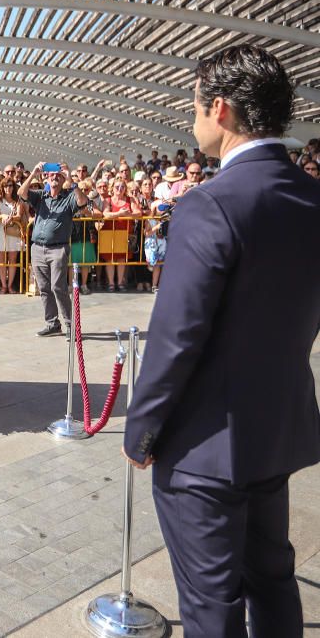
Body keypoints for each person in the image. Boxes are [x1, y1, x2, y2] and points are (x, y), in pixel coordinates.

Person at [123, 44, 320, 637]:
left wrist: (143, 428)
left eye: (195, 109)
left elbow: (176, 335)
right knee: (273, 580)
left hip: (204, 446)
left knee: (212, 606)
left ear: (223, 110)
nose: (193, 122)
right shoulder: (311, 199)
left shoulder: (210, 205)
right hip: (275, 428)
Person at [18, 162, 88, 337]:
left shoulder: (69, 196)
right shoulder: (41, 196)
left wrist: (71, 180)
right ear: (46, 178)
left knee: (58, 287)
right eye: (51, 175)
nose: (54, 177)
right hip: (38, 248)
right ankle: (52, 323)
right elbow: (21, 193)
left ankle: (71, 326)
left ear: (63, 178)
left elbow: (82, 201)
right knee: (43, 287)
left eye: (58, 175)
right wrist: (34, 172)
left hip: (58, 248)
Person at [0, 178, 27, 294]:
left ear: (14, 187)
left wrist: (10, 218)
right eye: (6, 185)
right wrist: (3, 216)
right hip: (0, 231)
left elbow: (19, 215)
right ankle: (3, 285)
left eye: (10, 185)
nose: (8, 188)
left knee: (12, 260)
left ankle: (10, 285)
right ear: (2, 187)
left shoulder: (18, 200)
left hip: (13, 231)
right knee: (1, 259)